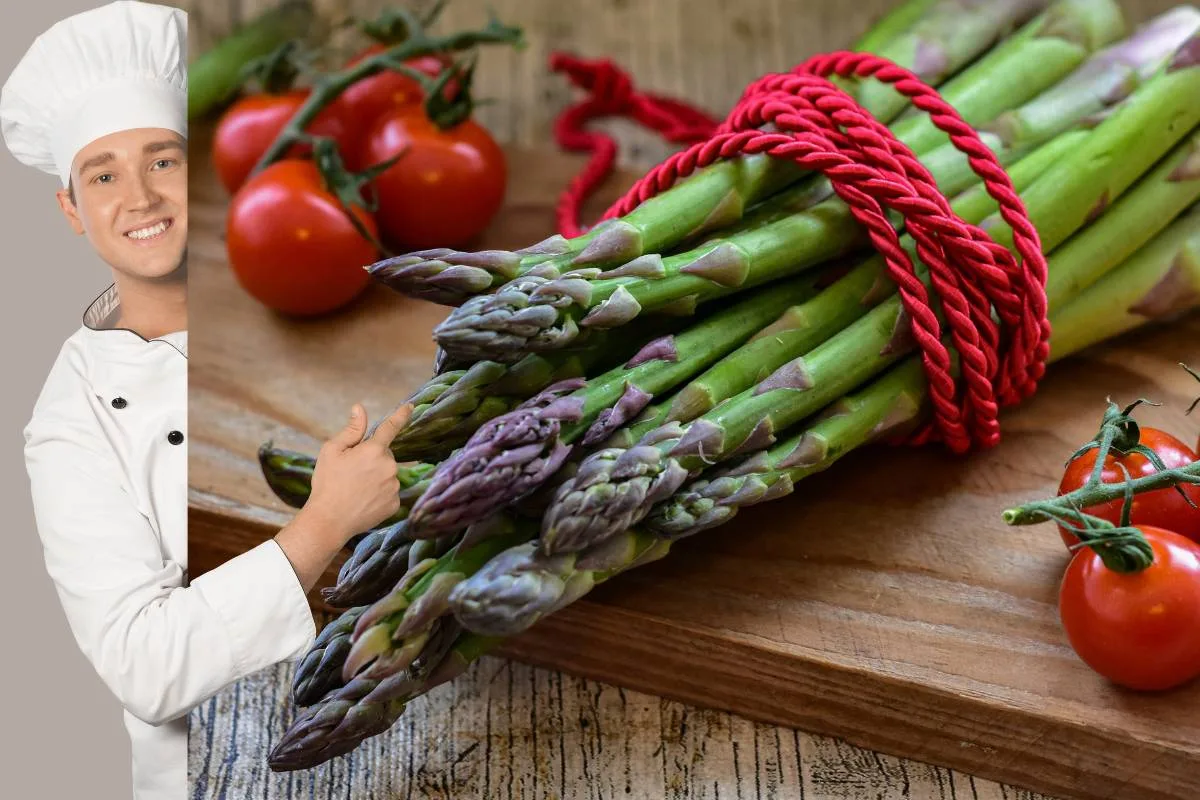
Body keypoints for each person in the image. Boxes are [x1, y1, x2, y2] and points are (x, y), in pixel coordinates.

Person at [1, 3, 410, 798]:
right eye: (103, 174)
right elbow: (143, 666)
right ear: (70, 211)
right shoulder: (67, 423)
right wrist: (324, 524)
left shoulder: (249, 299)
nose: (141, 197)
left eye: (162, 161)